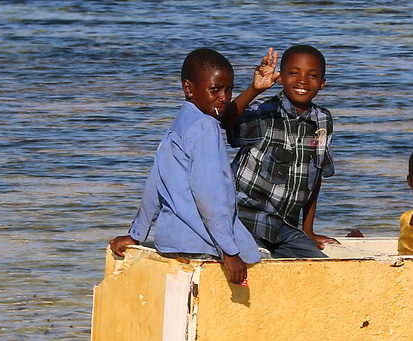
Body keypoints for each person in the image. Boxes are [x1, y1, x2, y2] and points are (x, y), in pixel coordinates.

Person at [109, 49, 260, 285]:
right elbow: (210, 195)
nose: (224, 97)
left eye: (229, 89)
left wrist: (136, 234)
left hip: (171, 242)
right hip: (204, 243)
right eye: (215, 89)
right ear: (189, 88)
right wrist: (230, 251)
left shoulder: (177, 126)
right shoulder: (206, 127)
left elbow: (155, 182)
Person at [223, 44, 337, 258]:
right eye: (294, 73)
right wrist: (254, 89)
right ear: (281, 78)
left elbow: (316, 174)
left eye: (312, 75)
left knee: (322, 268)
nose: (302, 80)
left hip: (284, 228)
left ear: (322, 84)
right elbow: (226, 122)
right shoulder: (264, 113)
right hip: (244, 221)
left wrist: (307, 230)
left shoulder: (322, 120)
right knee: (258, 264)